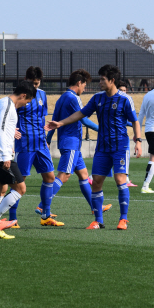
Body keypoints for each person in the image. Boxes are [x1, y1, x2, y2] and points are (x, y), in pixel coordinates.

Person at [46, 64, 142, 230]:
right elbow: (81, 114)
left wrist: (138, 140)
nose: (100, 82)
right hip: (102, 148)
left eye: (103, 79)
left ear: (112, 81)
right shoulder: (97, 98)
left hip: (120, 146)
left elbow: (135, 120)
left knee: (120, 180)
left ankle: (123, 219)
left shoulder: (124, 99)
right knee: (96, 182)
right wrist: (60, 123)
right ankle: (98, 220)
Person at [43, 69, 112, 215]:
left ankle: (95, 207)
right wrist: (102, 129)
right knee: (64, 175)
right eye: (84, 85)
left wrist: (48, 139)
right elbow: (84, 118)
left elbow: (54, 121)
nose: (84, 89)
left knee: (84, 175)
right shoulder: (73, 98)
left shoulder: (61, 97)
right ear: (79, 83)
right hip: (71, 142)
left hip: (69, 143)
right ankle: (43, 205)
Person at [11, 66, 64, 227]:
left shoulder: (42, 94)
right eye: (33, 83)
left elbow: (42, 116)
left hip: (41, 143)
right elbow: (8, 113)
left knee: (49, 177)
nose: (35, 86)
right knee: (20, 182)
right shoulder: (19, 95)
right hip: (25, 144)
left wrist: (47, 138)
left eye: (37, 83)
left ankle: (46, 216)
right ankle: (12, 219)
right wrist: (11, 129)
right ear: (26, 81)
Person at [0, 81, 36, 239]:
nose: (25, 105)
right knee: (20, 189)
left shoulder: (1, 102)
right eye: (26, 102)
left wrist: (10, 132)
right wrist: (6, 155)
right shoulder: (8, 105)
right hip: (1, 156)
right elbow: (0, 129)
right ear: (23, 95)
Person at [117, 80, 138, 187]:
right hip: (117, 138)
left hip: (122, 136)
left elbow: (131, 120)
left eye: (125, 90)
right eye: (121, 90)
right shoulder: (115, 101)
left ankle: (127, 179)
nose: (123, 92)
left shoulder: (127, 101)